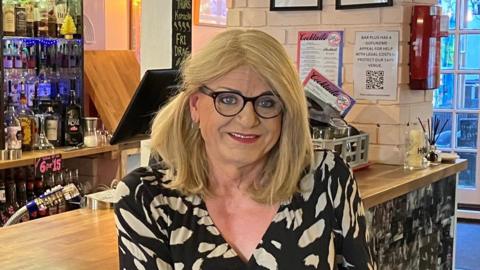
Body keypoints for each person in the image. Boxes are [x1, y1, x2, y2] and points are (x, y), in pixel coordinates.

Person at [114, 29, 376, 270]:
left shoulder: (325, 178)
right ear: (195, 105)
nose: (248, 119)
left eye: (267, 102)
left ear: (285, 111)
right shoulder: (146, 198)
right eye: (227, 99)